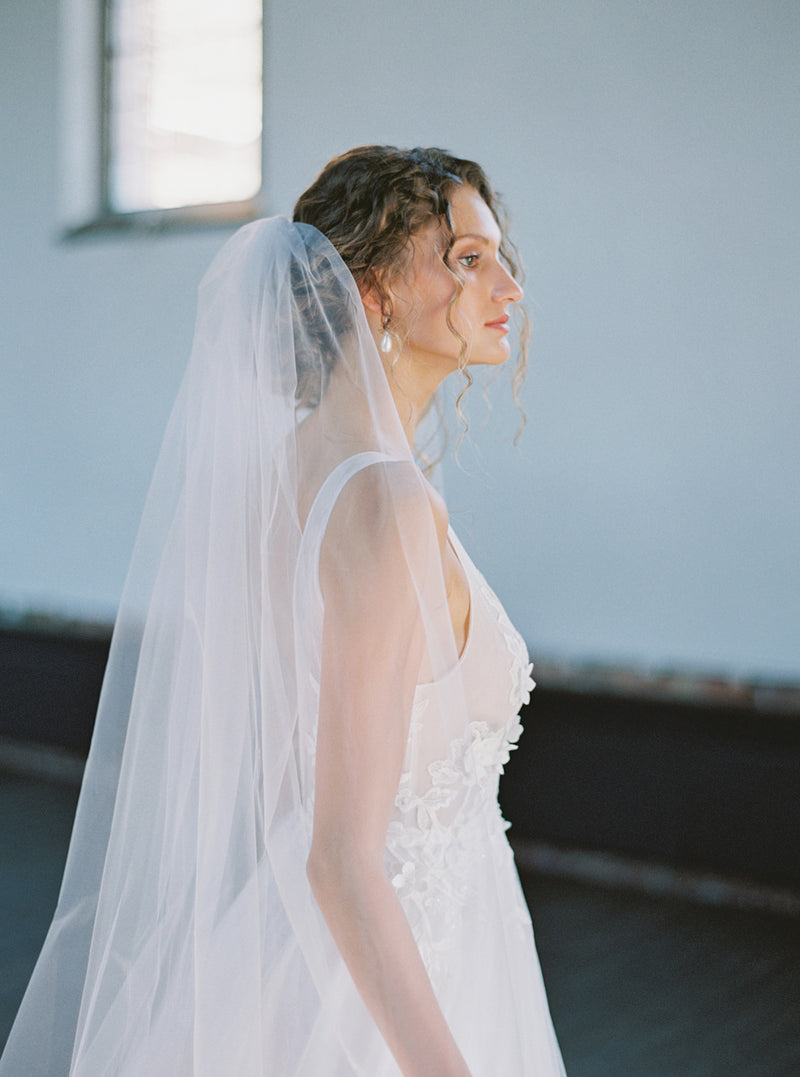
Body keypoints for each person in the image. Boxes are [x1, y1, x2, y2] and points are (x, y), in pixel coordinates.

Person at [0, 146, 566, 1076]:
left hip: (299, 957)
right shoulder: (386, 505)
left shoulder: (284, 478)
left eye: (501, 256)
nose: (507, 283)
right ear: (372, 291)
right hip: (382, 995)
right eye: (466, 258)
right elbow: (342, 858)